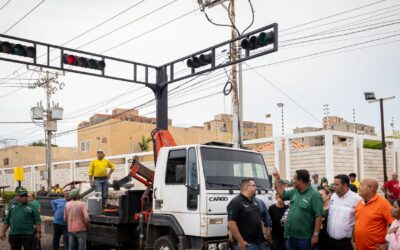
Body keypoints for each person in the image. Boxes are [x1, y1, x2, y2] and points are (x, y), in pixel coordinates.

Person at [273, 169, 323, 250]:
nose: (293, 181)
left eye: (295, 179)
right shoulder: (294, 191)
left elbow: (319, 216)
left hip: (304, 238)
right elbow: (283, 195)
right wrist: (277, 179)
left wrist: (316, 235)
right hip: (290, 236)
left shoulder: (315, 195)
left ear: (301, 180)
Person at [354, 178, 394, 250]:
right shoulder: (360, 202)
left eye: (361, 185)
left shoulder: (383, 203)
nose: (358, 187)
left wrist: (389, 244)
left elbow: (397, 224)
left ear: (370, 188)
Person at [227, 178, 266, 250]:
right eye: (254, 185)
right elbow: (231, 223)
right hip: (247, 244)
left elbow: (258, 219)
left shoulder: (254, 201)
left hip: (260, 243)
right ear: (247, 187)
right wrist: (240, 241)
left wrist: (264, 234)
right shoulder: (236, 202)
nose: (256, 188)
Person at [327, 174, 361, 250]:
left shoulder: (357, 199)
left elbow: (360, 220)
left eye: (336, 185)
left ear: (345, 185)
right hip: (330, 241)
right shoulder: (333, 196)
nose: (333, 187)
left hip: (346, 243)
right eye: (334, 184)